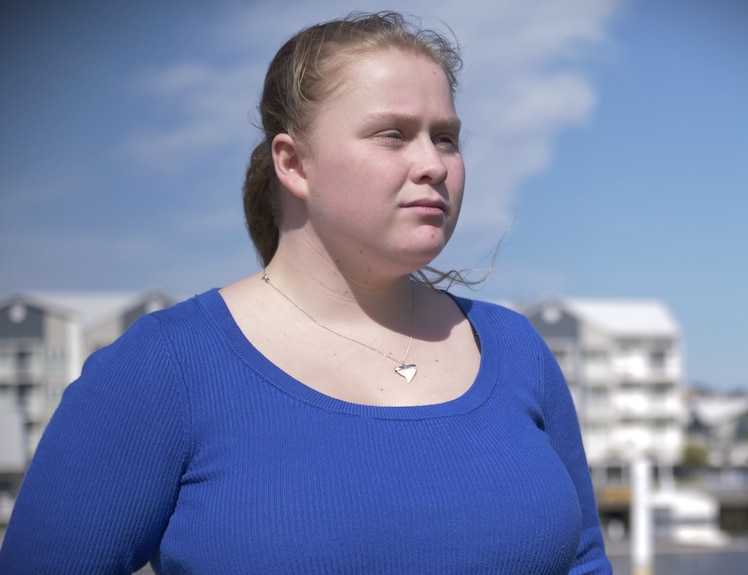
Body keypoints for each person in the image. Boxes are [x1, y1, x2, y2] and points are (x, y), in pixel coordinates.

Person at [0, 11, 611, 574]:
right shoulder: (165, 367)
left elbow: (584, 561)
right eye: (392, 134)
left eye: (445, 137)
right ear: (293, 164)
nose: (433, 163)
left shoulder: (513, 348)